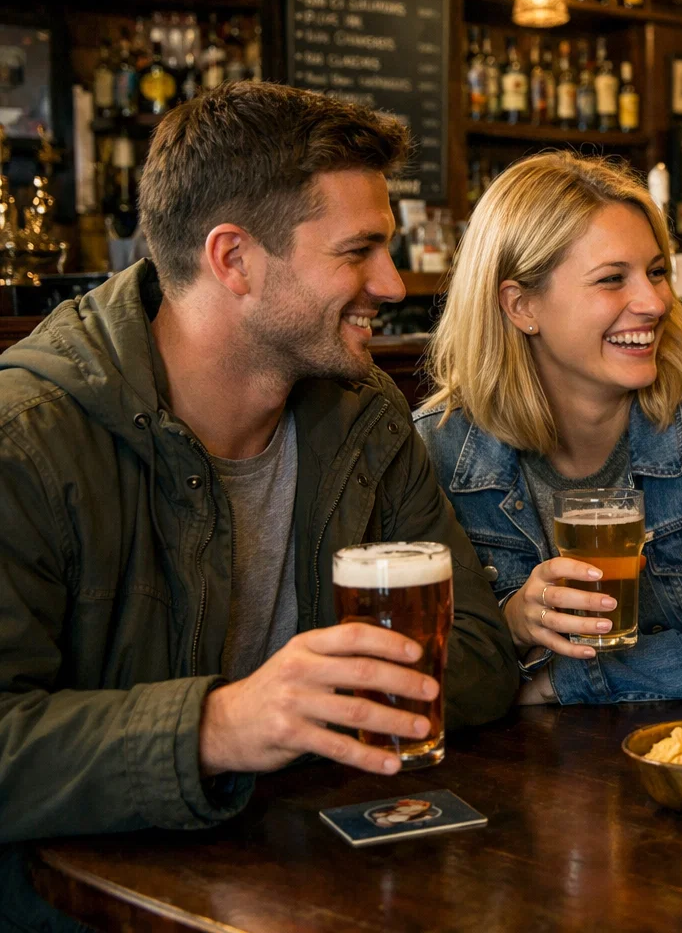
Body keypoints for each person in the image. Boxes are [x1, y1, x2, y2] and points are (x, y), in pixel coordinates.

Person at [0, 82, 519, 924]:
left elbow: (481, 659)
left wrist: (317, 709)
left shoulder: (364, 414)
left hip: (312, 879)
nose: (392, 284)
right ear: (233, 259)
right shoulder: (29, 440)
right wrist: (220, 726)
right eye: (359, 251)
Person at [414, 151, 682, 704]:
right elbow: (417, 662)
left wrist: (564, 682)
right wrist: (510, 622)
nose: (654, 302)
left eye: (656, 272)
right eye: (611, 279)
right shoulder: (436, 446)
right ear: (521, 304)